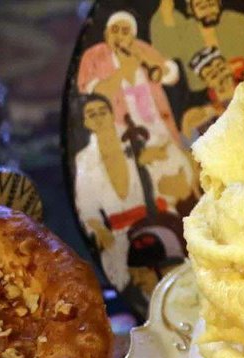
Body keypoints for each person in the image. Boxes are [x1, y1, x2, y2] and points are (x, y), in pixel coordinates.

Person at [73, 94, 195, 295]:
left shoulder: (140, 137)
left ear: (112, 114)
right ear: (85, 122)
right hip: (121, 237)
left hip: (163, 223)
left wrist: (157, 165)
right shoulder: (84, 160)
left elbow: (178, 168)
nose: (99, 118)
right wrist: (99, 229)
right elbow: (87, 207)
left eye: (103, 112)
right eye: (92, 114)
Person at [78, 11, 182, 145]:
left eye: (125, 32)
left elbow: (170, 76)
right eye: (114, 30)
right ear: (106, 33)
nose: (119, 36)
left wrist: (144, 58)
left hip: (160, 128)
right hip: (124, 135)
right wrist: (124, 69)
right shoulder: (94, 55)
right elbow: (97, 93)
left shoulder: (141, 49)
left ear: (132, 37)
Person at [150, 0, 244, 92]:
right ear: (191, 9)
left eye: (212, 4)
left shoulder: (235, 20)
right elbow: (167, 51)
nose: (209, 10)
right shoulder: (184, 31)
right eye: (201, 6)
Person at [180, 47, 237, 142]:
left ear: (229, 66)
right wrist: (215, 110)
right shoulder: (199, 100)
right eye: (213, 76)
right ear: (207, 82)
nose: (221, 76)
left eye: (222, 69)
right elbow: (187, 125)